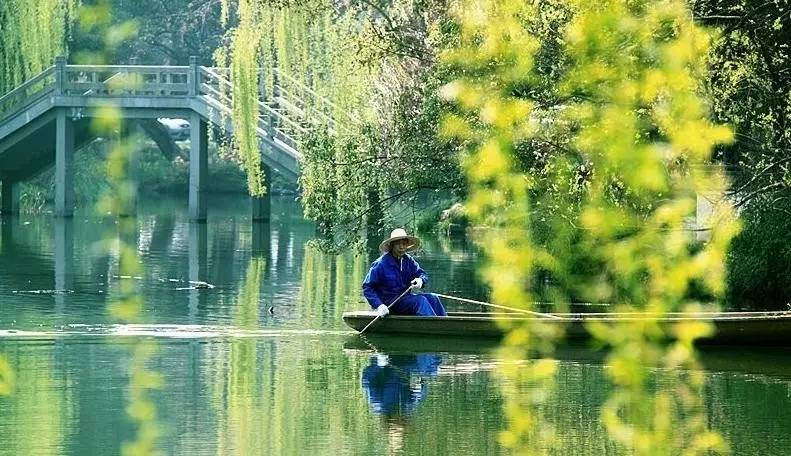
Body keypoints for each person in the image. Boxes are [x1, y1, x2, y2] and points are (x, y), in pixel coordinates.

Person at [362, 228, 447, 317]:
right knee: (420, 301)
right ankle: (435, 327)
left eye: (404, 243)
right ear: (392, 245)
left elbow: (422, 274)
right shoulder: (380, 264)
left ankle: (446, 324)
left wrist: (421, 280)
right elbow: (367, 287)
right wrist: (379, 305)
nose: (401, 247)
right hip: (389, 305)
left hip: (405, 301)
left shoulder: (408, 261)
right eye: (398, 244)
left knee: (433, 298)